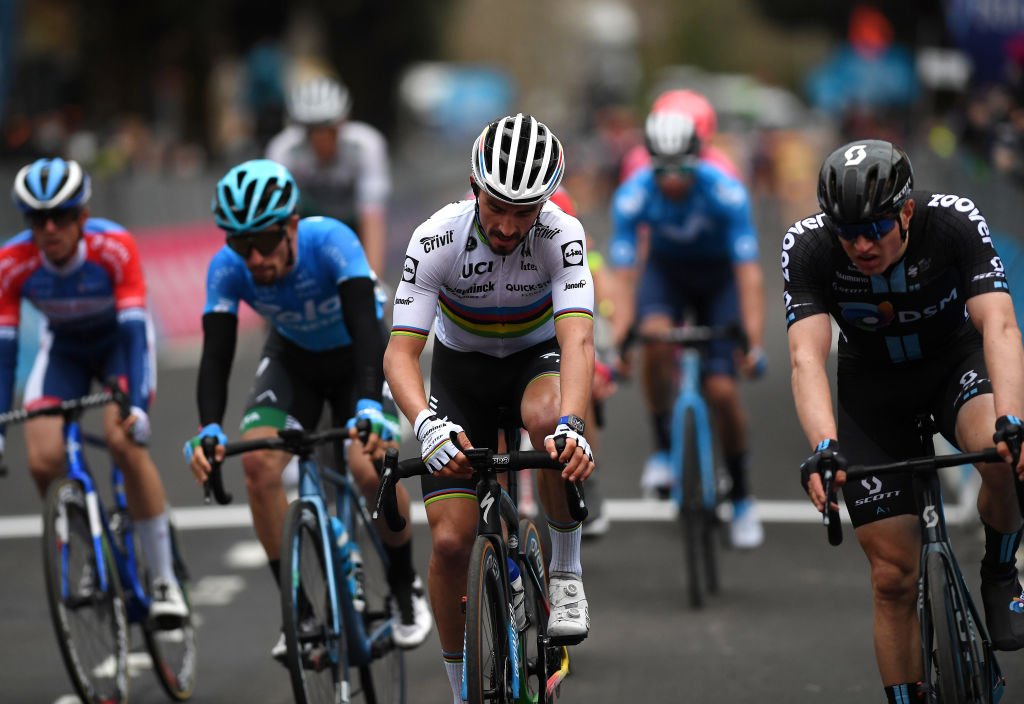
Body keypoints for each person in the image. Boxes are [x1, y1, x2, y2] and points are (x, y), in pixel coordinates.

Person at [786, 139, 1024, 702]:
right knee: (893, 577)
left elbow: (1000, 327)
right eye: (847, 232)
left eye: (876, 228)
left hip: (953, 366)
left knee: (1000, 452)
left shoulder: (955, 223)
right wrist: (823, 444)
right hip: (874, 391)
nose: (861, 245)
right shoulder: (809, 246)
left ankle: (999, 565)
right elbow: (805, 356)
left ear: (907, 212)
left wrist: (1014, 418)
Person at [383, 113, 596, 704]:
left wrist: (575, 426)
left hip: (535, 360)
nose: (506, 225)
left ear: (544, 204)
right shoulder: (436, 237)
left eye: (523, 212)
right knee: (450, 545)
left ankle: (566, 570)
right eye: (496, 206)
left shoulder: (563, 234)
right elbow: (400, 354)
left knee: (550, 423)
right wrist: (426, 425)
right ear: (475, 186)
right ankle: (460, 692)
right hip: (462, 379)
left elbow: (578, 340)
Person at [183, 158, 431, 659]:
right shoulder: (227, 269)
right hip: (293, 361)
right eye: (239, 243)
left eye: (265, 241)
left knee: (368, 467)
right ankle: (299, 610)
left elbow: (367, 327)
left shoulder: (330, 241)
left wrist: (366, 405)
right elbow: (216, 355)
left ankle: (405, 588)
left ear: (292, 225)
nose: (253, 257)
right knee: (256, 461)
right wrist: (208, 428)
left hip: (356, 360)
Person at [1, 157, 187, 624]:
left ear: (82, 216)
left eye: (61, 215)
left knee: (124, 440)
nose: (49, 228)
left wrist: (138, 408)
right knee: (42, 458)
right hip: (64, 350)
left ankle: (164, 580)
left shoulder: (114, 247)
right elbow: (4, 354)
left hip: (118, 347)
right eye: (37, 218)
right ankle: (94, 552)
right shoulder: (11, 262)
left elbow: (133, 332)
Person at [608, 109, 767, 548]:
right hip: (668, 274)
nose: (673, 178)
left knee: (722, 390)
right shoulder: (632, 195)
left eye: (683, 167)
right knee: (654, 338)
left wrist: (751, 342)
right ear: (649, 162)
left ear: (700, 159)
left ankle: (741, 496)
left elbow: (749, 274)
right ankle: (661, 449)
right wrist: (622, 338)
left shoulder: (726, 192)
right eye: (662, 168)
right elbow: (623, 276)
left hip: (718, 281)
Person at [265, 74, 390, 277]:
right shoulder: (284, 150)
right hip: (307, 225)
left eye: (330, 130)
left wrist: (372, 279)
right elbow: (277, 220)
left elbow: (372, 216)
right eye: (313, 131)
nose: (321, 139)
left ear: (343, 124)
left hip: (353, 224)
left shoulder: (366, 144)